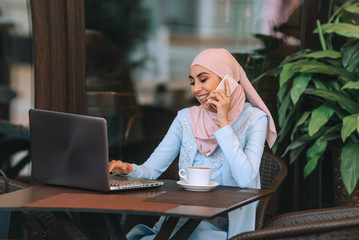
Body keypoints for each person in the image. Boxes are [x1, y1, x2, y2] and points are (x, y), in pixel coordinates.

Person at [109, 48, 277, 239]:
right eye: (192, 82)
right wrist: (129, 170)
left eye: (203, 79)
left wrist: (223, 123)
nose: (196, 89)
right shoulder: (185, 118)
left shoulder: (255, 119)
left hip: (226, 229)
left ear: (227, 79)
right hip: (181, 219)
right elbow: (151, 170)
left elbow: (246, 180)